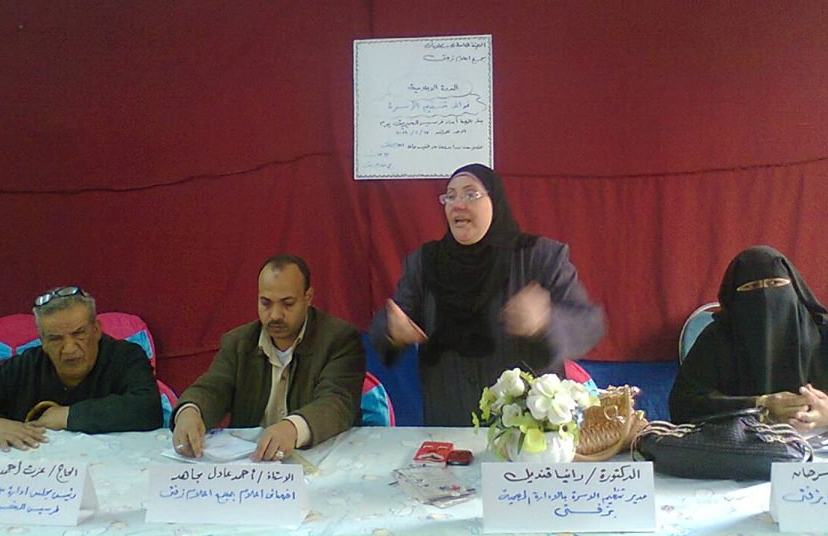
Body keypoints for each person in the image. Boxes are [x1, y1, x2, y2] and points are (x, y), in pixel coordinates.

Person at [368, 163, 607, 426]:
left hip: (525, 428)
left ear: (495, 201)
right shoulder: (424, 262)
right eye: (450, 196)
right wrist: (391, 330)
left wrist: (545, 323)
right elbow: (395, 319)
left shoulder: (540, 256)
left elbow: (588, 323)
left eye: (470, 194)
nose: (458, 205)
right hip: (450, 422)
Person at [171, 254, 365, 461]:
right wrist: (190, 410)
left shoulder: (339, 339)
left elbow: (337, 402)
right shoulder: (239, 342)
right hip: (252, 462)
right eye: (266, 303)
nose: (275, 315)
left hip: (319, 456)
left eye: (287, 304)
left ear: (308, 298)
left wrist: (293, 428)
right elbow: (213, 387)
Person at [0, 286, 162, 450]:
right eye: (55, 339)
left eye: (78, 334)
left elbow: (148, 408)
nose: (69, 348)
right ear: (42, 341)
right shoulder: (26, 366)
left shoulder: (126, 357)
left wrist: (69, 416)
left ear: (96, 330)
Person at [669, 245, 828, 432]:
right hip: (741, 448)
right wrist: (759, 406)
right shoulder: (715, 341)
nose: (765, 296)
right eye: (751, 287)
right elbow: (683, 405)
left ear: (794, 289)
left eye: (775, 284)